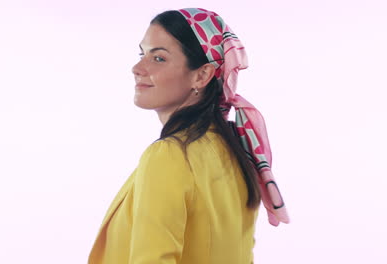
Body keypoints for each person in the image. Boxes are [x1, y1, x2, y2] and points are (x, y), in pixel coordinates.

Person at [88, 8, 289, 264]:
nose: (137, 68)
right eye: (143, 54)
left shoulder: (170, 155)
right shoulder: (235, 150)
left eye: (158, 58)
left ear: (202, 75)